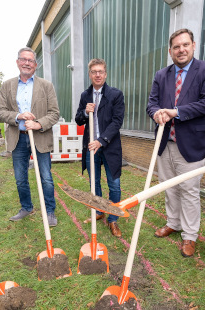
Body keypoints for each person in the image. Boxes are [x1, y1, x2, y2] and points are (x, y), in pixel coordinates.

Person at [146, 29, 205, 257]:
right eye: (176, 47)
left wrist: (175, 112)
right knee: (169, 187)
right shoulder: (161, 75)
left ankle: (190, 235)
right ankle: (173, 223)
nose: (181, 50)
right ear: (170, 51)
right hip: (165, 142)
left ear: (193, 45)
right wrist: (157, 113)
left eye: (185, 45)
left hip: (191, 144)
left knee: (189, 190)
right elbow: (152, 104)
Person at [0, 48, 60, 224]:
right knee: (20, 177)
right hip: (18, 137)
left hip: (40, 137)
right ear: (17, 62)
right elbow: (0, 112)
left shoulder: (46, 86)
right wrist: (18, 116)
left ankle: (49, 211)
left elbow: (54, 113)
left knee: (46, 177)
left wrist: (39, 123)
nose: (26, 63)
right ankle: (26, 207)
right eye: (23, 59)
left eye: (30, 60)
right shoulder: (7, 85)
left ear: (35, 65)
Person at [75, 58, 125, 237]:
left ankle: (113, 220)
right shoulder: (84, 96)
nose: (97, 75)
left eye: (100, 71)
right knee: (94, 182)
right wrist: (84, 112)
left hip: (109, 146)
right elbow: (78, 120)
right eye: (94, 72)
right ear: (90, 74)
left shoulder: (115, 94)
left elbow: (117, 121)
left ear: (105, 74)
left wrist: (101, 140)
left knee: (114, 184)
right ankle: (98, 211)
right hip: (90, 146)